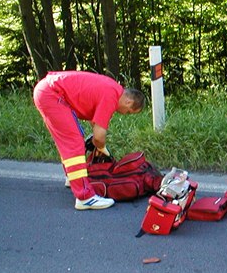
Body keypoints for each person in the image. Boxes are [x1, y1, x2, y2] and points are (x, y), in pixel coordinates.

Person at [33, 71, 145, 210]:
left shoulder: (112, 89)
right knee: (74, 143)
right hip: (52, 94)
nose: (125, 113)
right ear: (129, 102)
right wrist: (102, 149)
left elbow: (96, 125)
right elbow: (98, 137)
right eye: (128, 111)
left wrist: (98, 144)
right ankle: (85, 197)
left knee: (71, 140)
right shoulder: (111, 96)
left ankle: (73, 179)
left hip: (48, 91)